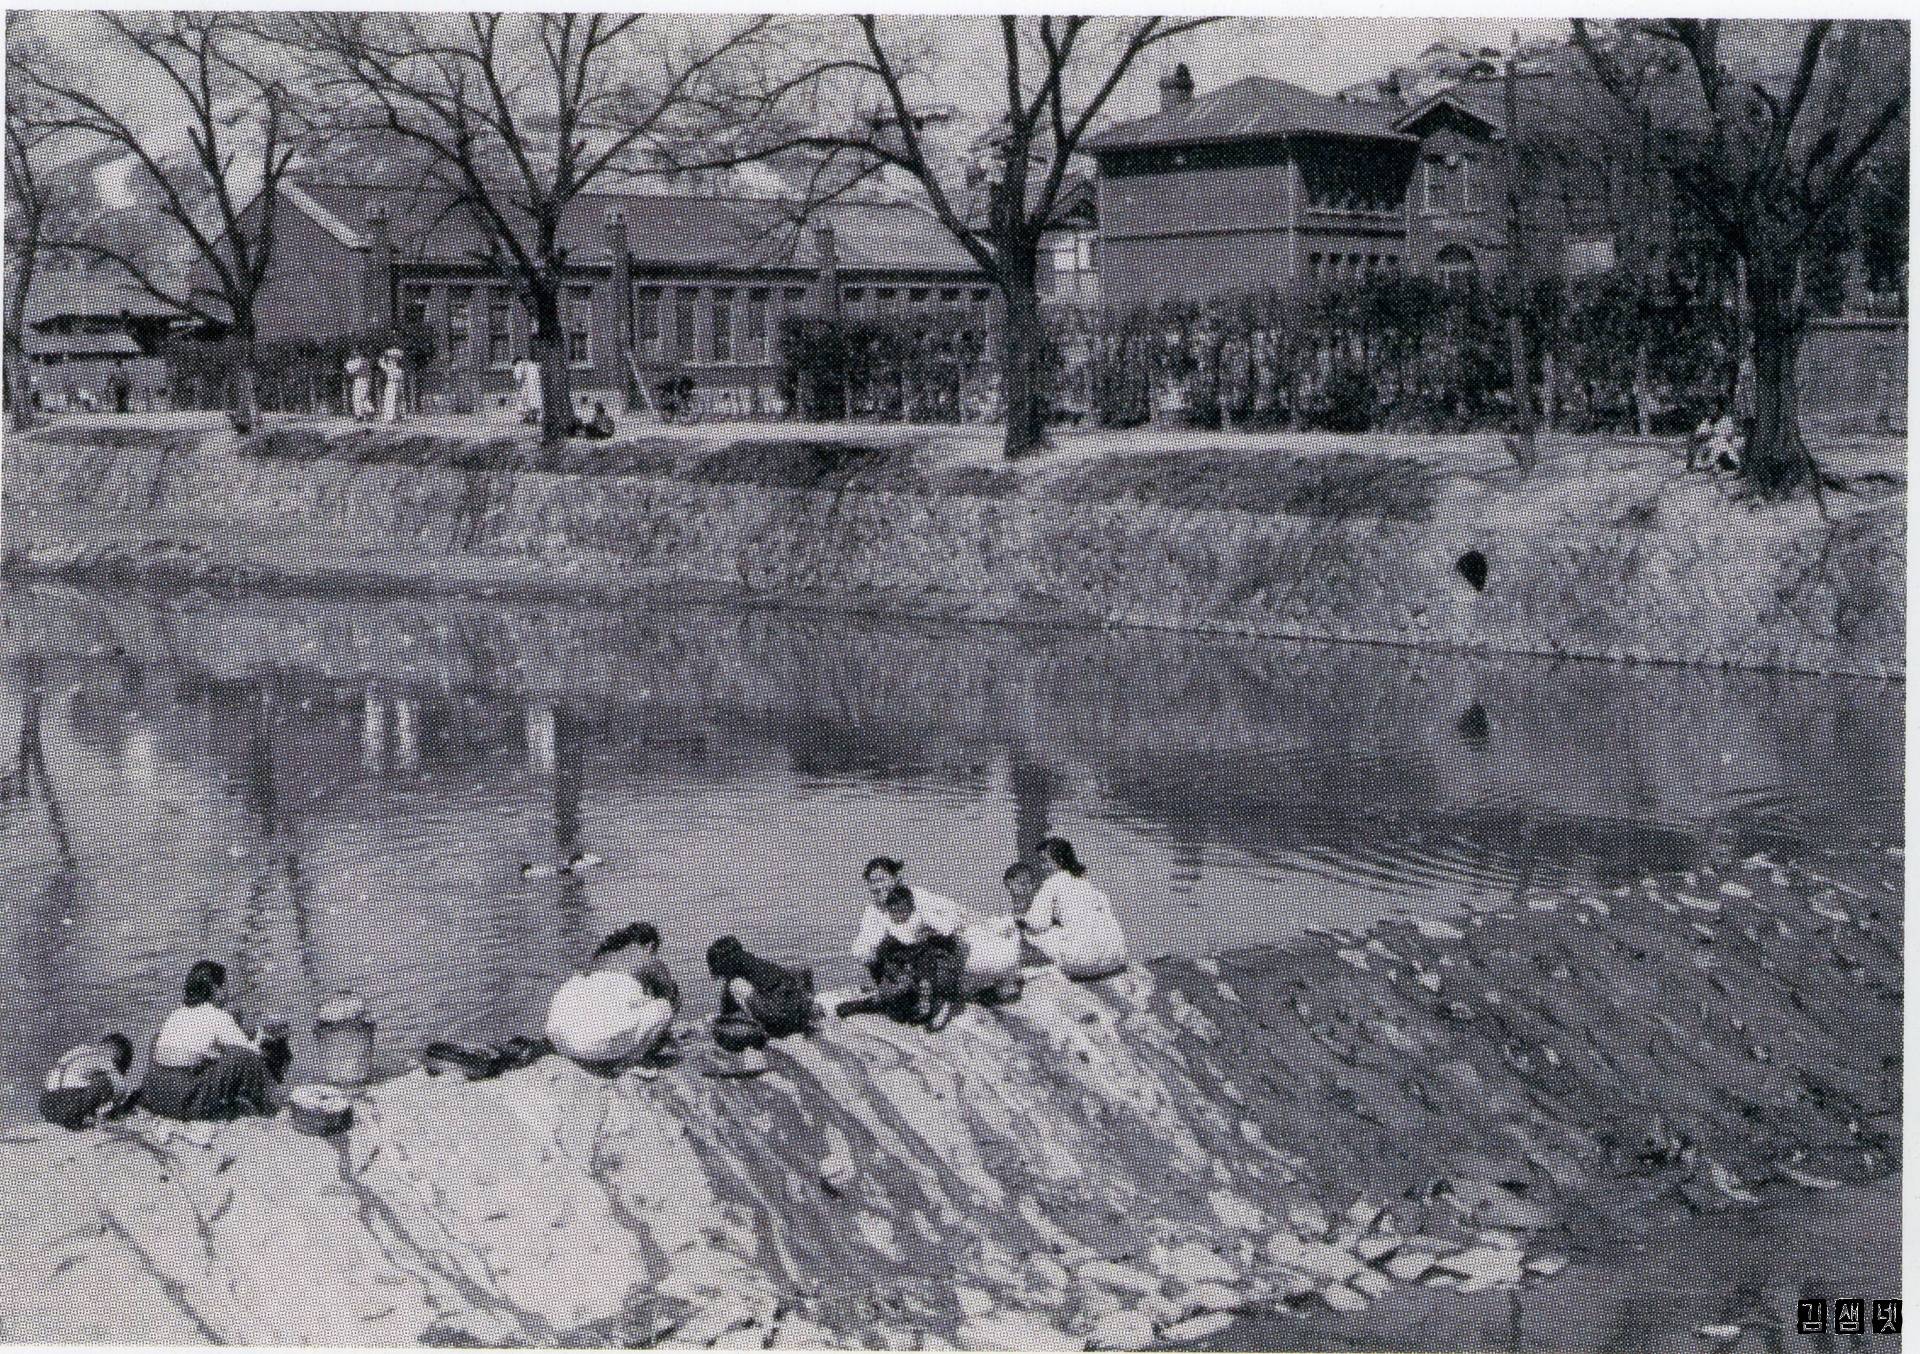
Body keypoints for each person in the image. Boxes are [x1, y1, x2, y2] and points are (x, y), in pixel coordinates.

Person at [142, 961, 280, 1122]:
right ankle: (266, 1106)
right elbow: (250, 1054)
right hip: (185, 1101)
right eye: (225, 986)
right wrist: (259, 1038)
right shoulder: (218, 1016)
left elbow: (199, 1049)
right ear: (215, 989)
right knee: (241, 1055)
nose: (228, 991)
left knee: (158, 1040)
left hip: (156, 1094)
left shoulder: (176, 1014)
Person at [839, 857, 964, 1030]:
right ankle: (890, 996)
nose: (877, 886)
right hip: (902, 965)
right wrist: (868, 954)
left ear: (896, 878)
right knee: (900, 1012)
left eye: (882, 879)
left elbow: (955, 915)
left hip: (931, 959)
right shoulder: (873, 910)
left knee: (931, 971)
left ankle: (942, 1002)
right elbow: (862, 943)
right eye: (872, 882)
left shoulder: (916, 896)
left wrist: (931, 930)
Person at [544, 924, 680, 1071]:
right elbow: (670, 998)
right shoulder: (647, 958)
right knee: (663, 1007)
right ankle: (628, 1064)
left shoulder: (598, 959)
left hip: (560, 1042)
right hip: (597, 1047)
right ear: (650, 945)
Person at [1018, 837, 1128, 980]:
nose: (1042, 867)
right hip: (1116, 958)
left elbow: (1036, 924)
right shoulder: (1085, 882)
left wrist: (1021, 921)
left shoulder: (1052, 882)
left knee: (1032, 932)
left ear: (1059, 861)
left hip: (1085, 963)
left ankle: (1034, 968)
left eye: (1045, 862)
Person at [706, 936, 816, 1041]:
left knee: (736, 984)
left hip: (779, 1023)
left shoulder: (732, 970)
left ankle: (766, 1028)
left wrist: (718, 1022)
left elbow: (728, 1010)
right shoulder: (756, 963)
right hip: (801, 1015)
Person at [40, 1033, 135, 1131]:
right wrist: (119, 1104)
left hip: (47, 1104)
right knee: (105, 1081)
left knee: (86, 1082)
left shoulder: (80, 1049)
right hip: (71, 1103)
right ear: (117, 1051)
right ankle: (87, 1117)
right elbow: (118, 1084)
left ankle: (75, 1119)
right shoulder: (104, 1057)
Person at [513, 356, 543, 426]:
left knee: (525, 401)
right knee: (535, 401)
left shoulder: (519, 366)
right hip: (536, 385)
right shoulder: (533, 365)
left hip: (526, 386)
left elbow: (518, 379)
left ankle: (528, 417)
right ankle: (534, 417)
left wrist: (518, 388)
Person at [378, 348, 404, 423]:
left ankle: (390, 417)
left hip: (392, 383)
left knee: (390, 399)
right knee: (396, 400)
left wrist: (383, 357)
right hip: (397, 383)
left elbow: (381, 363)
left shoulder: (392, 367)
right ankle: (397, 415)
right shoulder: (397, 368)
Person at [346, 353, 374, 422]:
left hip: (361, 380)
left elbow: (353, 371)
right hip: (362, 380)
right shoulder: (364, 361)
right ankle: (365, 413)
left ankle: (364, 413)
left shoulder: (362, 361)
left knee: (359, 398)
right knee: (361, 398)